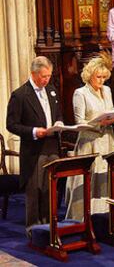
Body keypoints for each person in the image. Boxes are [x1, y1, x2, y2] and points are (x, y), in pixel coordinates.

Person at [6, 56, 63, 232]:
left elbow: (58, 114)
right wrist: (33, 132)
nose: (47, 79)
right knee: (35, 190)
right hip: (34, 150)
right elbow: (11, 124)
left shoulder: (52, 90)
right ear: (33, 73)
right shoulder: (20, 95)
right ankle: (33, 230)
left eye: (49, 75)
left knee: (49, 190)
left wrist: (59, 123)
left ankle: (48, 228)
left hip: (52, 146)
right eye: (44, 76)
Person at [65, 54, 114, 221]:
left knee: (106, 180)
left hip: (107, 141)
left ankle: (106, 217)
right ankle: (81, 219)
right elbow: (79, 122)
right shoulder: (80, 93)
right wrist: (98, 124)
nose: (101, 81)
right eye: (98, 77)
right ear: (90, 75)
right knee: (88, 181)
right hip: (89, 142)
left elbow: (111, 111)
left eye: (104, 77)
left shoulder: (107, 90)